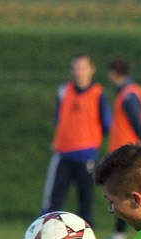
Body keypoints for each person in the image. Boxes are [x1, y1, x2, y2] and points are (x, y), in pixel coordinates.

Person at [41, 54, 111, 225]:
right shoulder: (64, 91)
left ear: (91, 70)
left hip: (86, 154)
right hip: (63, 154)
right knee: (52, 202)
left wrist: (90, 139)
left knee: (85, 201)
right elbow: (59, 119)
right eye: (76, 68)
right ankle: (43, 236)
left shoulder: (98, 93)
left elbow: (107, 123)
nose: (79, 72)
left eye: (82, 68)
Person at [103, 56, 141, 239]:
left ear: (113, 73)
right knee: (125, 196)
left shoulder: (128, 95)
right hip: (126, 153)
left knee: (124, 197)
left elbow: (138, 125)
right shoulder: (130, 91)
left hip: (127, 155)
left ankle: (120, 236)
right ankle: (121, 236)